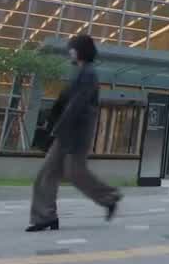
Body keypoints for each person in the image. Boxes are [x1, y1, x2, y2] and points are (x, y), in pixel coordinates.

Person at [26, 34, 122, 232]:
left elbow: (77, 105)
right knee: (48, 174)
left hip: (75, 134)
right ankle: (45, 217)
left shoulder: (88, 74)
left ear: (80, 50)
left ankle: (109, 197)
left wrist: (57, 129)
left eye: (73, 48)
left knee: (73, 173)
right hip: (68, 132)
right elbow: (66, 103)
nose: (70, 51)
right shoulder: (81, 72)